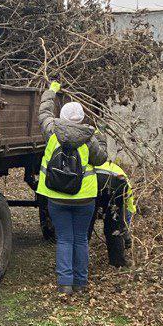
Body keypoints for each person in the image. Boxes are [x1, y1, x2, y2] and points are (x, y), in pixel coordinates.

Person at [36, 80, 107, 295]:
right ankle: (81, 284)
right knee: (80, 239)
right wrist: (101, 131)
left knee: (65, 239)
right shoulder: (89, 138)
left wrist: (52, 91)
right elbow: (102, 158)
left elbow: (44, 113)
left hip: (56, 196)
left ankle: (65, 283)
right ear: (82, 118)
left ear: (62, 117)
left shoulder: (52, 131)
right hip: (85, 197)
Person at [92, 159, 136, 267]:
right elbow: (129, 198)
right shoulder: (118, 169)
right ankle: (118, 262)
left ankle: (77, 262)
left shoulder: (89, 165)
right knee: (114, 225)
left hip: (93, 182)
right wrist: (125, 224)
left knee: (85, 226)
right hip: (117, 184)